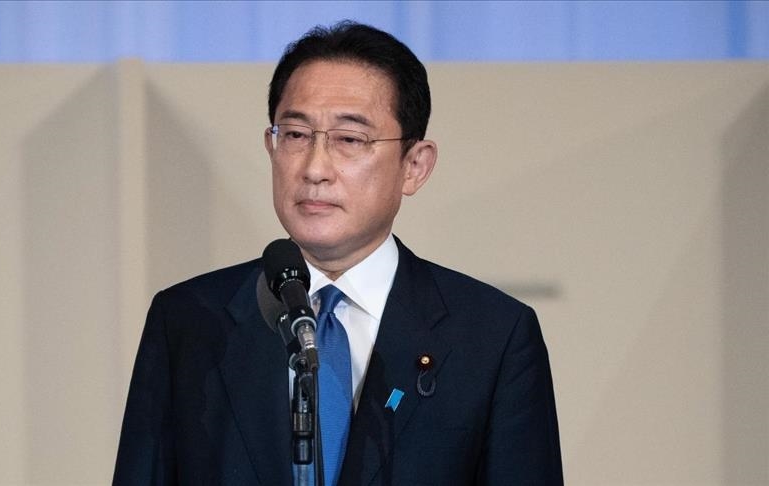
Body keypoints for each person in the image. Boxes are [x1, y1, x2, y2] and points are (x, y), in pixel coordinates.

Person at [113, 21, 562, 485]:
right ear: (271, 146)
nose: (315, 168)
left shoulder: (493, 337)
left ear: (414, 165)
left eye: (349, 139)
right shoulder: (189, 322)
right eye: (295, 135)